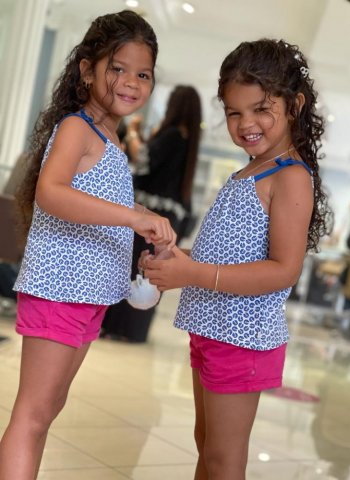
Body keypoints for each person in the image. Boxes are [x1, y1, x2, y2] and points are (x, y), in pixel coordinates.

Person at [144, 39, 333, 480]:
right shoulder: (251, 170)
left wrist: (190, 271)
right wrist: (179, 258)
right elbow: (228, 256)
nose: (246, 123)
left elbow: (283, 269)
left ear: (295, 105)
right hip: (212, 328)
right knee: (206, 447)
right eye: (234, 112)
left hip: (243, 338)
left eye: (261, 108)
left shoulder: (290, 177)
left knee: (225, 460)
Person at [0, 10, 176, 480]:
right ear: (87, 69)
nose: (130, 82)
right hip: (60, 289)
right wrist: (135, 216)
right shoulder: (78, 127)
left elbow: (98, 213)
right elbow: (51, 192)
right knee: (33, 414)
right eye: (117, 68)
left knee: (48, 410)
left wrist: (135, 248)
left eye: (143, 74)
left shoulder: (113, 140)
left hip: (88, 296)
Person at [101, 85, 202, 342]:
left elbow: (144, 161)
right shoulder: (187, 139)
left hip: (150, 214)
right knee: (152, 274)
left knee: (136, 267)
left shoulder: (172, 134)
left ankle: (118, 327)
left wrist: (133, 133)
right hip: (170, 216)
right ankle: (134, 330)